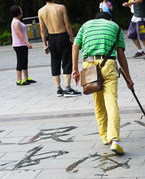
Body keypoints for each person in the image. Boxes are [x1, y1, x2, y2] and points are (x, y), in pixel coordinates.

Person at [72, 12, 134, 155]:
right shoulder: (115, 27)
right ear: (109, 20)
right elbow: (121, 54)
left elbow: (75, 46)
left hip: (89, 65)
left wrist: (75, 69)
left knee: (99, 103)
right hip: (109, 65)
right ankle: (114, 139)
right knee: (111, 102)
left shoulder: (86, 25)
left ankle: (104, 136)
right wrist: (129, 79)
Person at [39, 0, 81, 97]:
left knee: (55, 62)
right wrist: (72, 38)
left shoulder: (41, 11)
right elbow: (67, 25)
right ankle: (67, 88)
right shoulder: (61, 7)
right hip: (62, 36)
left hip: (51, 39)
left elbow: (42, 30)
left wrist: (45, 44)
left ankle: (58, 89)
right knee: (66, 61)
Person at [10, 5, 36, 86]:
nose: (22, 11)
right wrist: (27, 42)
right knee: (20, 62)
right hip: (19, 45)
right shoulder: (16, 22)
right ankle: (19, 80)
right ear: (18, 12)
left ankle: (26, 78)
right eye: (20, 10)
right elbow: (19, 33)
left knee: (24, 61)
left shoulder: (17, 21)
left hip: (22, 45)